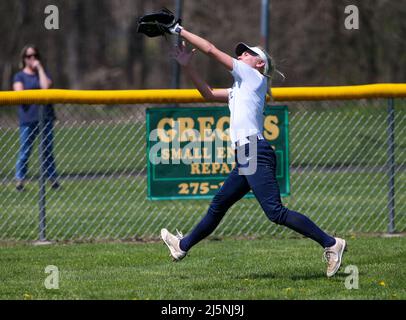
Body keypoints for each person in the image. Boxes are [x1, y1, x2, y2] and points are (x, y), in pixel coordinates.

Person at [160, 23, 347, 278]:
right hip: (246, 154)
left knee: (275, 212)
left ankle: (331, 243)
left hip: (254, 151)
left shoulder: (254, 77)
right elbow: (207, 93)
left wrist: (178, 29)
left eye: (247, 53)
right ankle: (182, 246)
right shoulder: (239, 88)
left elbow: (212, 50)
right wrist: (187, 66)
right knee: (218, 206)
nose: (240, 55)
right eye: (240, 53)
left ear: (260, 64)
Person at [13, 44, 59, 191]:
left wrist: (39, 69)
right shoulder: (19, 76)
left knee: (47, 150)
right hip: (28, 118)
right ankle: (20, 180)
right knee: (25, 150)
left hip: (45, 118)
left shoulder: (44, 73)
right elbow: (20, 94)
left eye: (35, 56)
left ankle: (52, 180)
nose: (32, 59)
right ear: (24, 59)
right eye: (29, 56)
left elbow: (46, 88)